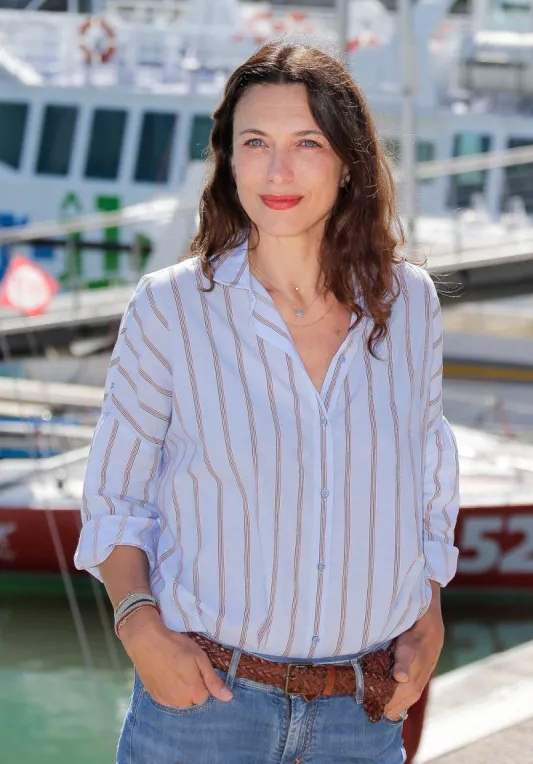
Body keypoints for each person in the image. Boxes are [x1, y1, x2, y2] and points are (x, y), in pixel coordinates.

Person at [75, 41, 460, 764]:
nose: (276, 171)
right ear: (228, 160)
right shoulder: (170, 308)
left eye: (305, 142)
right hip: (204, 710)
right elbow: (115, 498)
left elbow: (428, 485)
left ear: (348, 162)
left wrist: (430, 613)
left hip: (361, 714)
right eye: (254, 143)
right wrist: (139, 627)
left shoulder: (411, 306)